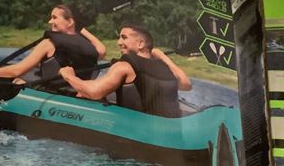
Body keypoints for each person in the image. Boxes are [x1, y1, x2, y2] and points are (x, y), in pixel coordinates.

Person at [58, 24, 191, 118]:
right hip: (166, 132)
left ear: (140, 44)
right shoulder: (164, 67)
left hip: (134, 132)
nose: (119, 42)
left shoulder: (124, 66)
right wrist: (162, 56)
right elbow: (186, 84)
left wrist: (70, 76)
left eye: (124, 37)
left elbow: (94, 92)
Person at [0, 5, 106, 83]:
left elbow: (17, 71)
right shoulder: (91, 48)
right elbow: (102, 49)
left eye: (54, 17)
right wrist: (79, 28)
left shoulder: (49, 43)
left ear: (70, 21)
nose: (50, 21)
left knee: (17, 81)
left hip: (53, 94)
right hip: (76, 94)